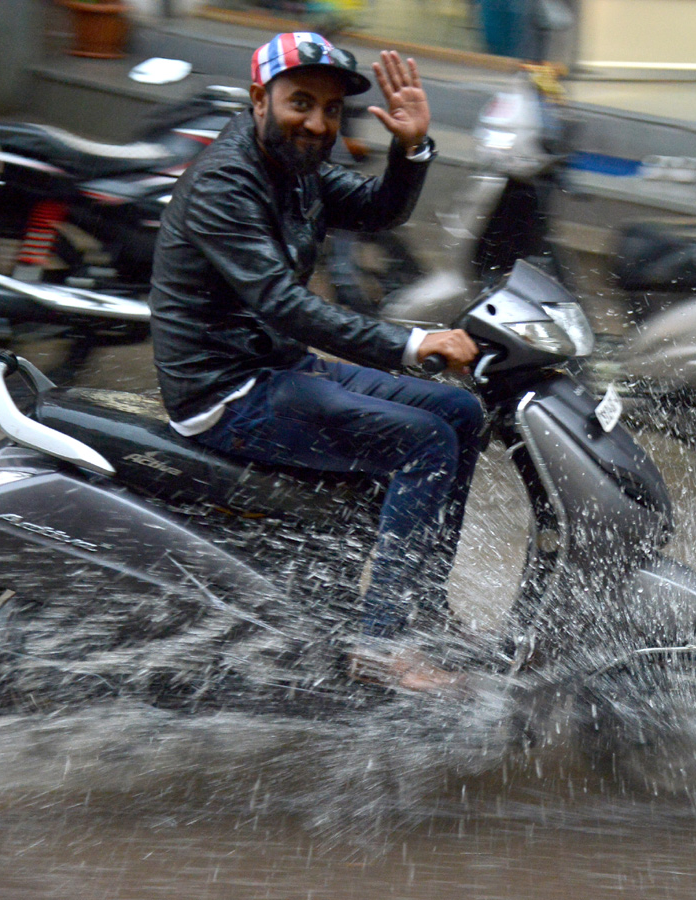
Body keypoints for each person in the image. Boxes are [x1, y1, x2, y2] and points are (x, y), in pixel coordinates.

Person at [148, 33, 483, 692]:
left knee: (461, 412)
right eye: (301, 102)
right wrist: (412, 345)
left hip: (280, 368)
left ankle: (426, 612)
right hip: (227, 392)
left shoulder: (295, 171)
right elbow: (282, 303)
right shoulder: (227, 181)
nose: (318, 123)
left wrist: (411, 144)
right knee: (421, 442)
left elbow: (380, 210)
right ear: (258, 99)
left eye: (331, 111)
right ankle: (382, 649)